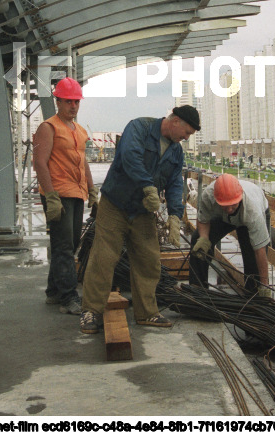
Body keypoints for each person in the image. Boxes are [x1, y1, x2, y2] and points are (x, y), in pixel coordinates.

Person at [79, 105, 200, 334]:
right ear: (175, 121)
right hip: (115, 204)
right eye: (187, 132)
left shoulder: (175, 151)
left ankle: (146, 312)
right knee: (103, 257)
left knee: (149, 259)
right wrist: (148, 187)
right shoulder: (139, 128)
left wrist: (175, 215)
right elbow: (130, 157)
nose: (186, 137)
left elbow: (175, 183)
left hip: (143, 211)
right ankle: (91, 311)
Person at [33, 77, 100, 316]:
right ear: (58, 101)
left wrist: (92, 191)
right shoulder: (48, 128)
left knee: (70, 243)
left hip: (76, 192)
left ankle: (53, 291)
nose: (73, 106)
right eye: (68, 101)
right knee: (63, 246)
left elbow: (83, 162)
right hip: (58, 193)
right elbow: (39, 162)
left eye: (76, 102)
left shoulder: (80, 131)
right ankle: (68, 297)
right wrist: (50, 195)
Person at [190, 173, 273, 297]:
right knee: (198, 241)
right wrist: (204, 239)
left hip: (248, 215)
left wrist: (265, 285)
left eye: (232, 205)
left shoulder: (253, 211)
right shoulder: (208, 195)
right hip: (224, 218)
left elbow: (259, 251)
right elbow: (203, 220)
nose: (229, 209)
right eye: (225, 205)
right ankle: (198, 290)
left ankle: (253, 297)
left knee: (252, 262)